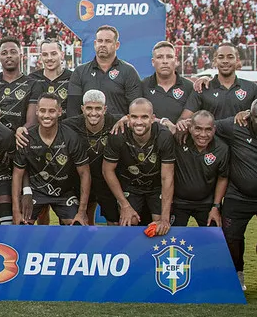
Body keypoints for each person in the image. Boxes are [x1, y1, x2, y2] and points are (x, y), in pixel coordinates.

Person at [12, 93, 91, 225]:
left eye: (52, 111)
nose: (47, 115)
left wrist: (82, 211)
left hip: (64, 192)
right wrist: (16, 211)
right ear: (36, 111)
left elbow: (85, 174)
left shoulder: (71, 137)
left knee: (76, 226)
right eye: (42, 110)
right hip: (36, 192)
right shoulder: (26, 138)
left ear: (60, 112)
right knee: (22, 225)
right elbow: (17, 174)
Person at [102, 98, 175, 233]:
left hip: (156, 186)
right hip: (131, 185)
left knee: (159, 223)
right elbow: (107, 171)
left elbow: (167, 177)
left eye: (144, 117)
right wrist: (124, 205)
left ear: (153, 118)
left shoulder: (164, 136)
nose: (139, 122)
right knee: (130, 221)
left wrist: (165, 218)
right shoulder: (118, 134)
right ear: (128, 118)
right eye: (134, 117)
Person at [212, 100, 257, 291]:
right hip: (238, 196)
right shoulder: (235, 126)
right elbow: (206, 125)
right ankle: (237, 274)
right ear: (249, 117)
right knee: (231, 238)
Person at [63, 90, 120, 225]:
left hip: (107, 180)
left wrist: (165, 122)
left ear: (105, 109)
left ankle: (111, 246)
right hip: (79, 179)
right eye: (89, 108)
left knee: (115, 223)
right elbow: (46, 127)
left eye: (98, 108)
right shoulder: (69, 125)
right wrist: (21, 130)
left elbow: (139, 118)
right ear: (82, 109)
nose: (93, 113)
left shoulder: (116, 122)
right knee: (77, 223)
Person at [67, 26, 141, 117]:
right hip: (87, 130)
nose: (103, 44)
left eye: (108, 41)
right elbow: (73, 110)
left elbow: (137, 108)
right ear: (95, 44)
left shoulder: (129, 71)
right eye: (100, 41)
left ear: (117, 45)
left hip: (119, 129)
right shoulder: (80, 72)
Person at [171, 110, 227, 228]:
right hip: (179, 203)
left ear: (214, 129)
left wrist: (216, 206)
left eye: (208, 129)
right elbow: (154, 123)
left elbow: (223, 178)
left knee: (213, 239)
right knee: (172, 240)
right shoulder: (178, 139)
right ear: (190, 128)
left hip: (206, 203)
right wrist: (165, 121)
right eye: (198, 129)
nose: (203, 134)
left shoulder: (222, 149)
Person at [180, 42, 257, 121]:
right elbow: (184, 119)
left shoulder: (251, 88)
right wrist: (183, 124)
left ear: (237, 60)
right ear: (215, 61)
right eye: (221, 57)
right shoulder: (202, 88)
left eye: (230, 57)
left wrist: (248, 113)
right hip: (212, 133)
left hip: (242, 133)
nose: (225, 61)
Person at [0, 36, 38, 131]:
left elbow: (32, 122)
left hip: (21, 139)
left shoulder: (33, 84)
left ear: (21, 55)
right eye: (4, 53)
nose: (9, 56)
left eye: (13, 52)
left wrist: (18, 135)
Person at [141, 41, 194, 123]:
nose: (165, 61)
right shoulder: (143, 85)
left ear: (176, 61)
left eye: (169, 57)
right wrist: (164, 122)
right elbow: (138, 116)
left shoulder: (189, 87)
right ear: (153, 62)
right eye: (159, 57)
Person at [28, 39, 73, 113]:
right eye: (45, 54)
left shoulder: (73, 77)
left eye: (53, 54)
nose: (49, 58)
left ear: (62, 55)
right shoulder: (32, 78)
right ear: (41, 57)